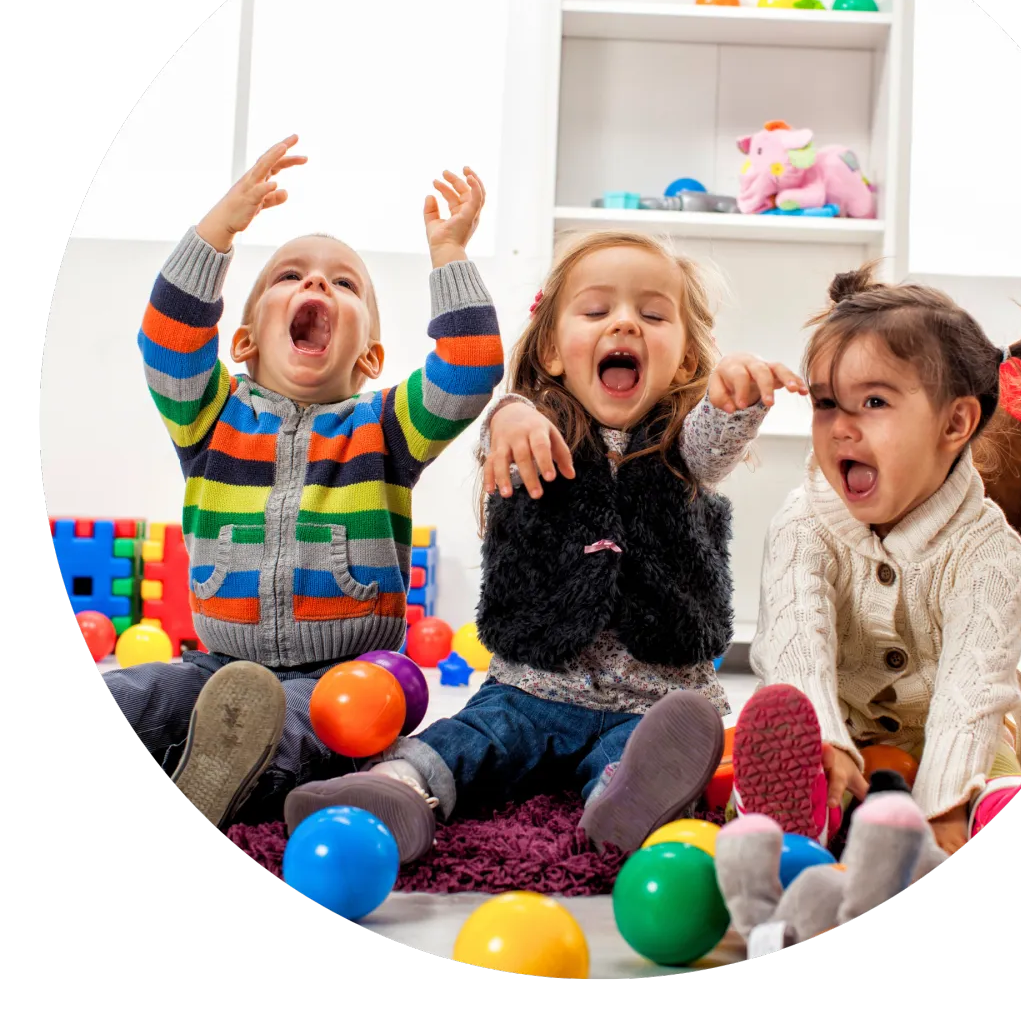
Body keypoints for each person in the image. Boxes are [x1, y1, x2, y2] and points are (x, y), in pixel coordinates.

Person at [287, 229, 805, 859]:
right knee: (471, 740)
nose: (625, 325)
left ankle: (621, 804)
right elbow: (502, 441)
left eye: (651, 314)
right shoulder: (532, 429)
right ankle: (395, 788)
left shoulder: (681, 448)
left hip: (651, 703)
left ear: (688, 361)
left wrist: (733, 399)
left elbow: (711, 442)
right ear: (556, 351)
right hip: (531, 689)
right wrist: (510, 413)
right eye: (596, 311)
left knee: (638, 760)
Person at [105, 135, 503, 832]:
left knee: (300, 729)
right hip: (215, 668)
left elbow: (470, 369)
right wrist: (219, 229)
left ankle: (217, 774)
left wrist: (450, 255)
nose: (316, 285)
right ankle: (199, 755)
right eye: (290, 276)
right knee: (141, 692)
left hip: (342, 678)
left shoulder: (385, 428)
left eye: (344, 284)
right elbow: (166, 339)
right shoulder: (209, 416)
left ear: (371, 356)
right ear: (246, 340)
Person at [734, 264, 1021, 859]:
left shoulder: (988, 548)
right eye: (825, 403)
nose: (841, 428)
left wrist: (945, 807)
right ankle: (789, 812)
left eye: (873, 401)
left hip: (953, 734)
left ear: (955, 422)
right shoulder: (804, 522)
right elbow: (795, 642)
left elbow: (972, 689)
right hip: (841, 723)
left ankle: (980, 803)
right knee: (784, 744)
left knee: (988, 780)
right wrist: (822, 741)